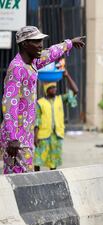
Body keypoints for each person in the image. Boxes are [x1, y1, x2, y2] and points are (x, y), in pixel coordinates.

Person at [0, 26, 85, 174]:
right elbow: (9, 104)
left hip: (25, 135)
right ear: (25, 44)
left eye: (41, 41)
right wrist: (13, 137)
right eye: (36, 41)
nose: (40, 45)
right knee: (21, 180)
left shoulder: (32, 62)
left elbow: (50, 53)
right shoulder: (17, 68)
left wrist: (69, 43)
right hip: (17, 138)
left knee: (15, 178)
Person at [34, 64, 79, 171]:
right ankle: (35, 177)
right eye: (51, 88)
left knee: (53, 161)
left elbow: (75, 91)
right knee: (38, 159)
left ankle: (53, 177)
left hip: (56, 134)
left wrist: (67, 76)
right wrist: (35, 137)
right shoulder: (40, 103)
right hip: (43, 135)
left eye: (55, 87)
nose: (54, 89)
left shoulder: (60, 99)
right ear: (46, 89)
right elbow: (37, 120)